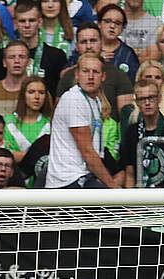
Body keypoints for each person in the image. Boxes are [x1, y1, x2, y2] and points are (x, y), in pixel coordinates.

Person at [46, 52, 118, 187]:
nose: (90, 76)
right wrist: (114, 188)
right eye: (86, 71)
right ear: (77, 74)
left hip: (83, 175)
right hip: (68, 180)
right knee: (120, 204)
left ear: (103, 77)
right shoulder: (73, 99)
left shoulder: (95, 100)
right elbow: (88, 152)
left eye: (95, 72)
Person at [121, 79, 164, 187]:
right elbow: (130, 175)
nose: (147, 103)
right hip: (141, 198)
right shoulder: (131, 132)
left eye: (151, 97)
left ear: (159, 98)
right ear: (136, 102)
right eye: (142, 99)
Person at [5, 75, 54, 161]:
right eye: (31, 92)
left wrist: (20, 155)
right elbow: (6, 156)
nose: (37, 97)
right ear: (23, 95)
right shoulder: (7, 122)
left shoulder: (51, 123)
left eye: (41, 93)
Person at [98, 4, 141, 77]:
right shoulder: (88, 47)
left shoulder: (128, 54)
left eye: (117, 23)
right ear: (99, 23)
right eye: (108, 21)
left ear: (123, 27)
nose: (112, 26)